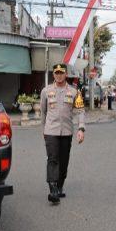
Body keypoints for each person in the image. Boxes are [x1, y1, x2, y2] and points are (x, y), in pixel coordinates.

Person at [40, 63, 86, 204]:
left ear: (66, 74)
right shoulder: (46, 91)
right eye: (56, 73)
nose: (59, 75)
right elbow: (43, 112)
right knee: (53, 159)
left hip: (66, 131)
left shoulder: (74, 92)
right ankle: (53, 189)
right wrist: (44, 129)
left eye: (61, 72)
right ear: (53, 74)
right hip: (51, 131)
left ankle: (59, 186)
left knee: (64, 160)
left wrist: (81, 128)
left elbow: (80, 111)